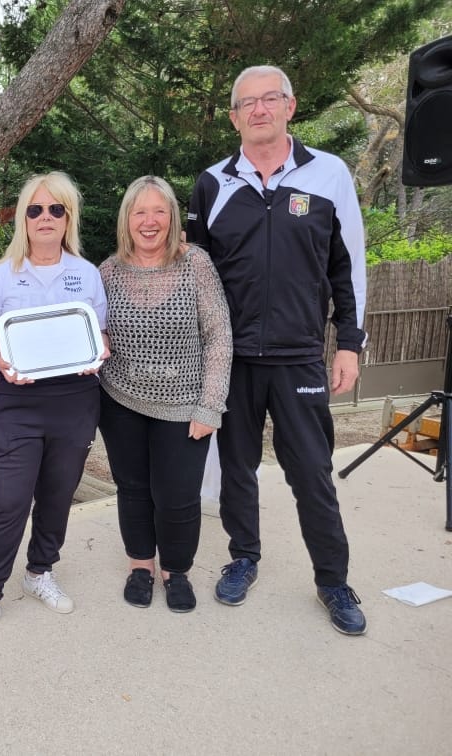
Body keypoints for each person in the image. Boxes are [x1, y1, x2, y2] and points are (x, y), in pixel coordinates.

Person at [186, 65, 369, 635]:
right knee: (237, 468)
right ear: (235, 116)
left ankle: (333, 582)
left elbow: (348, 265)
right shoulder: (212, 184)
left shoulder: (329, 175)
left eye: (271, 99)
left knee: (311, 472)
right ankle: (244, 556)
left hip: (298, 357)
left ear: (290, 107)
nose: (259, 109)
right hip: (232, 360)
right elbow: (195, 276)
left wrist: (350, 344)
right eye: (248, 103)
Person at [0, 171, 109, 643]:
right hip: (17, 400)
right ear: (23, 218)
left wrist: (98, 351)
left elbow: (99, 334)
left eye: (55, 209)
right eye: (35, 210)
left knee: (58, 494)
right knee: (7, 499)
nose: (45, 218)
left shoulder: (87, 273)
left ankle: (40, 571)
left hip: (75, 399)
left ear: (67, 218)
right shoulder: (1, 275)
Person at [97, 175, 232, 613]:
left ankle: (176, 570)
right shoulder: (108, 272)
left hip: (184, 404)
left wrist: (211, 405)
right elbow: (93, 334)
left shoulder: (196, 263)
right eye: (140, 212)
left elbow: (219, 335)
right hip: (120, 400)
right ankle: (141, 566)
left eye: (159, 211)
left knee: (177, 496)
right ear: (127, 220)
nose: (149, 221)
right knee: (132, 488)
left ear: (173, 217)